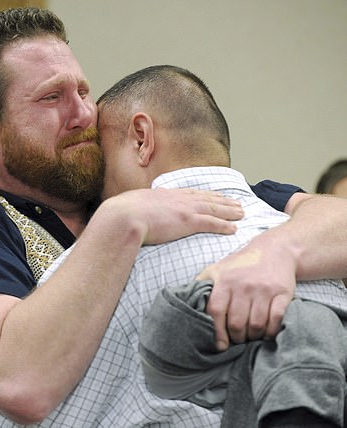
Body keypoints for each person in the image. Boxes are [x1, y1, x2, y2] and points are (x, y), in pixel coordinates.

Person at [0, 7, 347, 426]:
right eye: (51, 98)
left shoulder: (134, 187)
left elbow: (329, 218)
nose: (83, 114)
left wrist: (275, 253)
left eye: (81, 90)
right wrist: (118, 223)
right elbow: (21, 385)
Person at [96, 65, 347, 427]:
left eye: (102, 161)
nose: (99, 190)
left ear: (142, 138)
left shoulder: (263, 202)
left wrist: (275, 253)